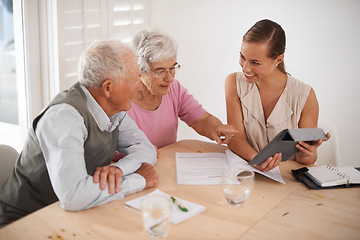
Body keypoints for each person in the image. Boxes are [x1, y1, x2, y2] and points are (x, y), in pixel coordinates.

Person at [0, 40, 158, 227]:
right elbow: (73, 196)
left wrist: (118, 169)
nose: (140, 87)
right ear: (108, 87)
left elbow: (146, 149)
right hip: (22, 222)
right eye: (134, 80)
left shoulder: (114, 110)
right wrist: (138, 180)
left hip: (68, 215)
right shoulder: (64, 118)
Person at [224, 19, 330, 172]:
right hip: (248, 172)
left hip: (288, 179)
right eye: (242, 57)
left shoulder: (305, 96)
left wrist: (308, 154)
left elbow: (305, 159)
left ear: (278, 59)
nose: (245, 68)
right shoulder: (233, 83)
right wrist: (257, 160)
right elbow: (235, 138)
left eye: (255, 62)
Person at [125, 29, 238, 153]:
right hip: (131, 168)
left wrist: (217, 128)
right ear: (139, 70)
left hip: (165, 163)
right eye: (160, 71)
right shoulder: (121, 97)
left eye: (172, 68)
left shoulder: (174, 88)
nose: (169, 78)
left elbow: (202, 120)